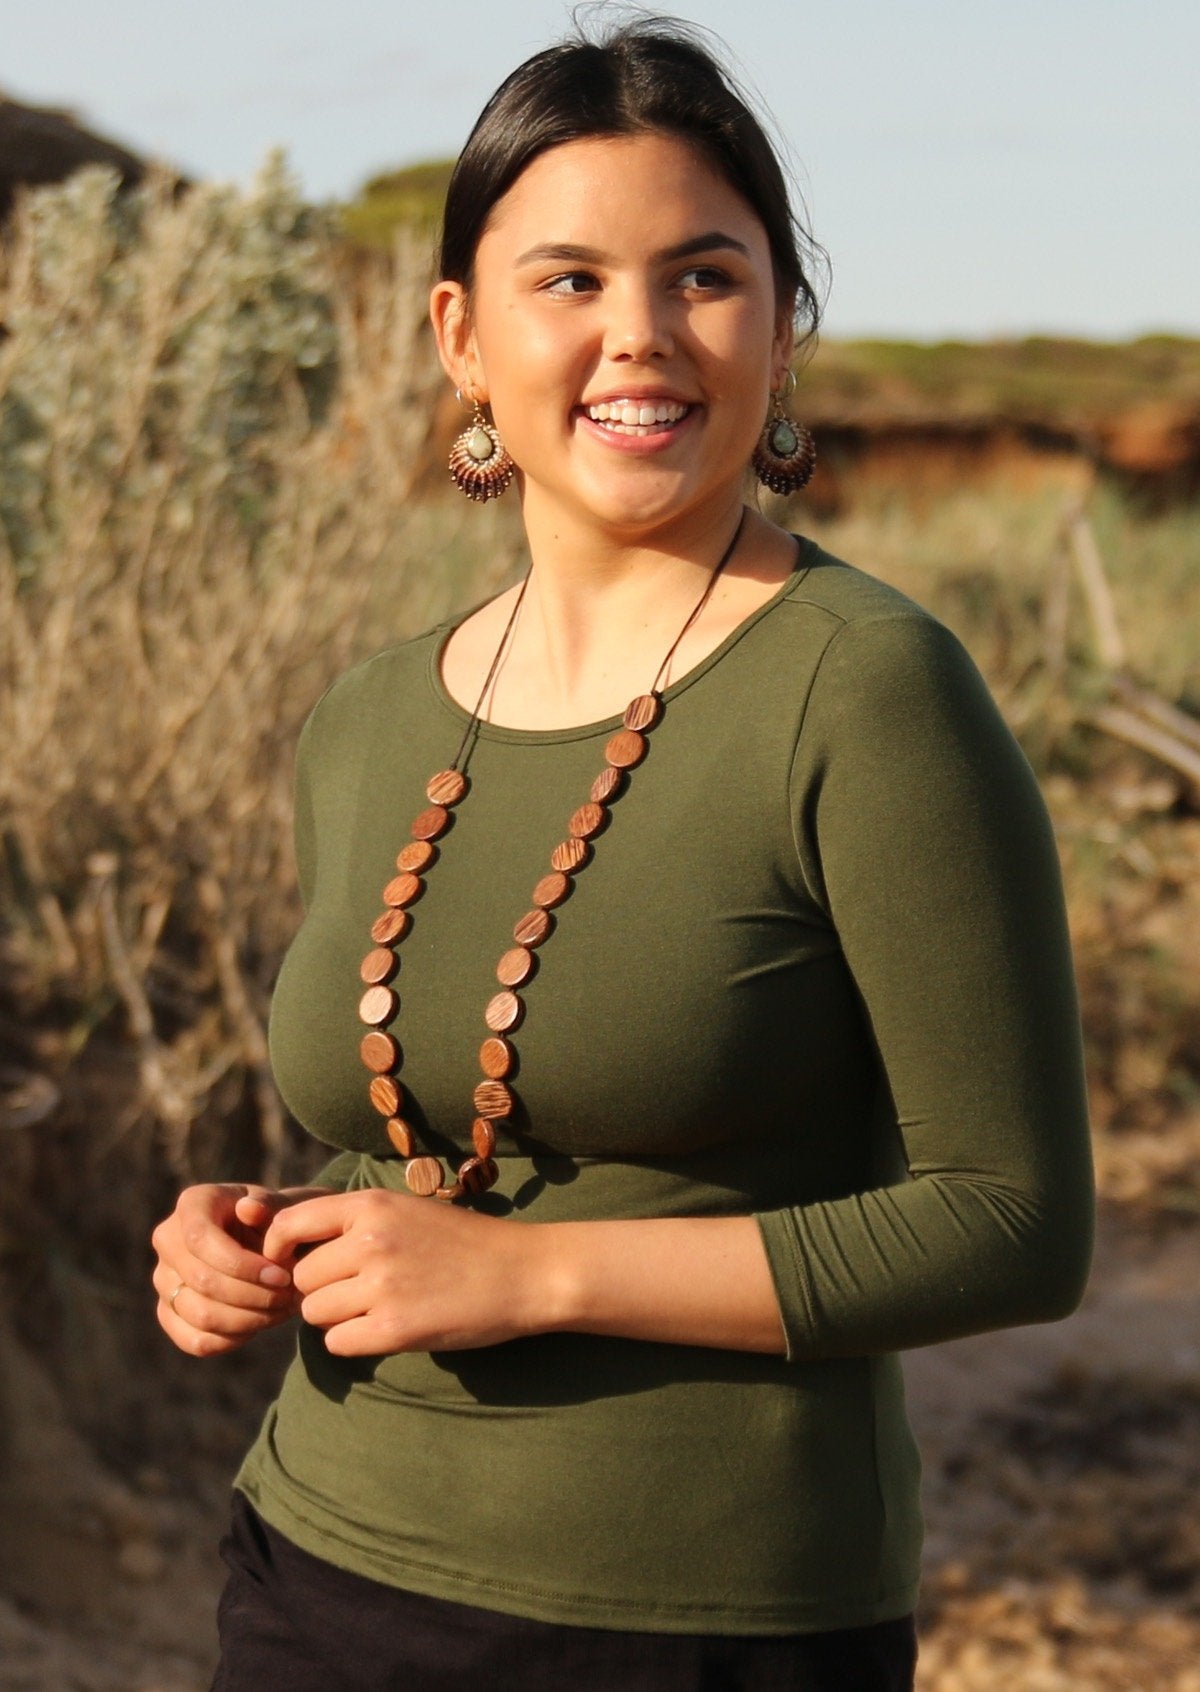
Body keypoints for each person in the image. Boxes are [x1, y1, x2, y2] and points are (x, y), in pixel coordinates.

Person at [150, 18, 1094, 1691]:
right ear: (460, 335)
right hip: (315, 1568)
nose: (639, 338)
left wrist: (531, 1279)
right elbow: (450, 1138)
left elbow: (1012, 1221)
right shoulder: (370, 716)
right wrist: (260, 1236)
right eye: (569, 279)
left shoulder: (865, 687)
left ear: (784, 328)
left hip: (700, 1623)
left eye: (706, 277)